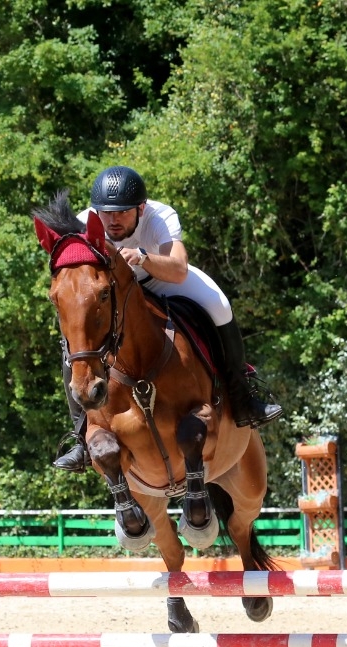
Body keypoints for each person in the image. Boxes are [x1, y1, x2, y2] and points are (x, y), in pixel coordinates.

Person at [53, 166, 282, 472]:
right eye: (106, 213)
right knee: (72, 343)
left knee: (219, 304)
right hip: (113, 293)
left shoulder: (161, 216)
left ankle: (243, 398)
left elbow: (179, 268)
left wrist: (143, 257)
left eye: (122, 213)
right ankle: (81, 437)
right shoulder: (84, 224)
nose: (113, 220)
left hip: (160, 279)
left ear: (141, 208)